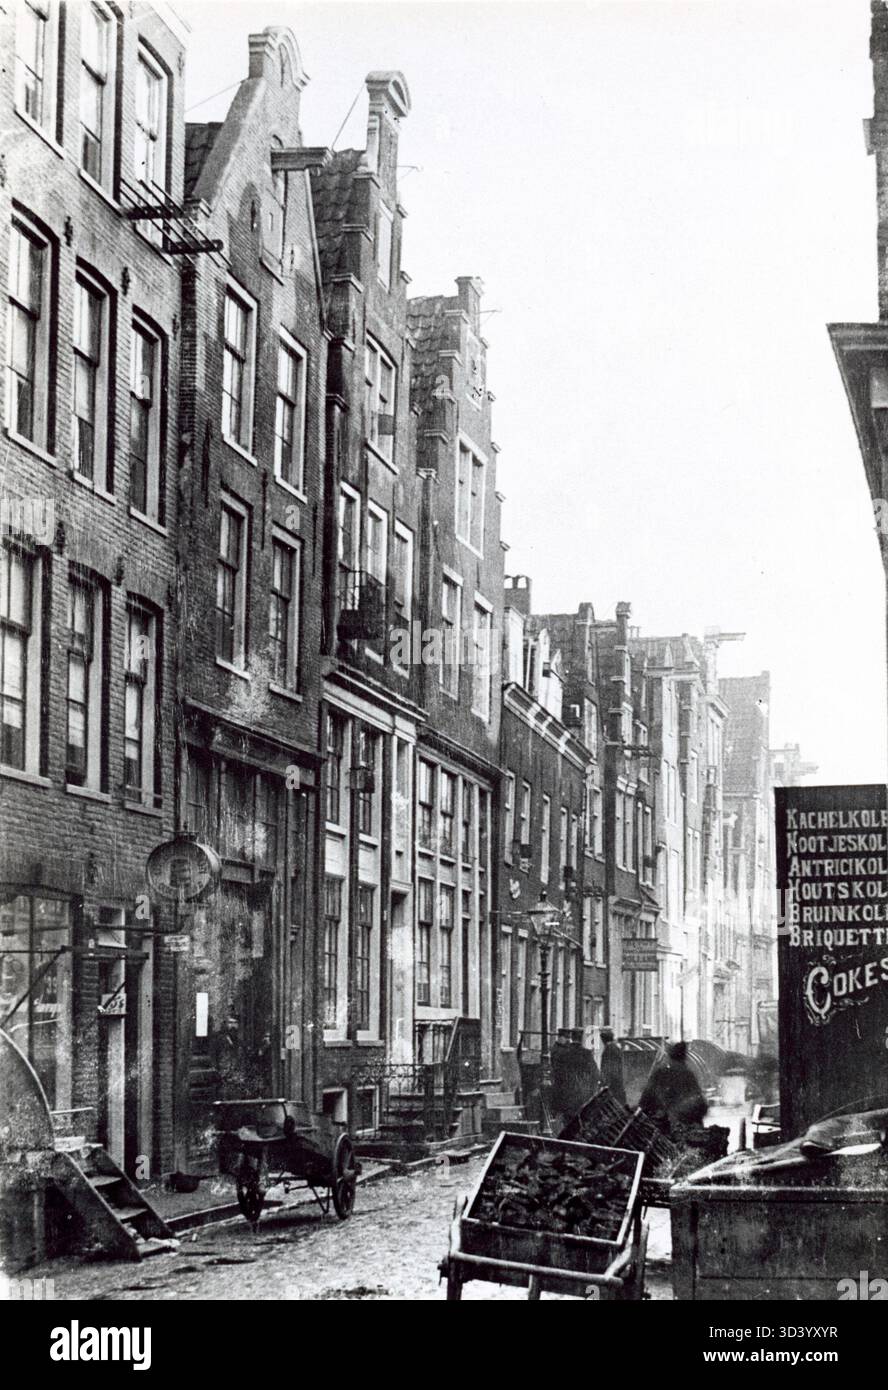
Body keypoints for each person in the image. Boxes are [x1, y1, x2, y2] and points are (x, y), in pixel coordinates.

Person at [639, 1041, 708, 1135]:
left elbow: (646, 1099)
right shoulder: (687, 1073)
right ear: (683, 1057)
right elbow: (700, 1102)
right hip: (685, 1124)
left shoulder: (661, 1071)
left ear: (671, 1056)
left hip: (665, 1123)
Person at [599, 1028, 627, 1104]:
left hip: (613, 1084)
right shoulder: (616, 1048)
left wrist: (604, 1082)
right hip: (618, 1082)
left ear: (603, 1040)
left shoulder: (609, 1049)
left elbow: (608, 1068)